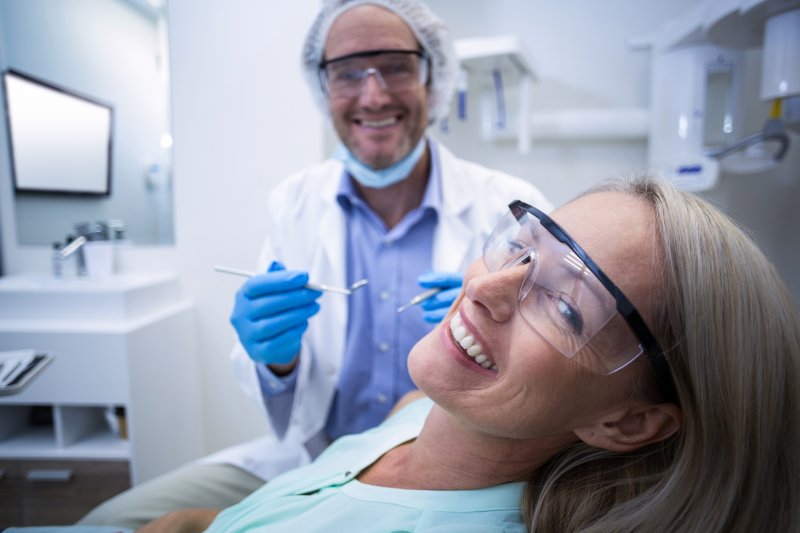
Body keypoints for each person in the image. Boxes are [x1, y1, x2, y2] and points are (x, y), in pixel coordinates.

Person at [78, 0, 550, 528]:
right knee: (109, 522)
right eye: (347, 72)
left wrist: (503, 338)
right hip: (313, 458)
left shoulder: (510, 207)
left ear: (432, 77)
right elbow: (284, 393)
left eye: (394, 66)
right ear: (323, 88)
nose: (373, 94)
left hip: (444, 466)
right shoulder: (294, 203)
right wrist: (276, 357)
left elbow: (554, 368)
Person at [133, 176, 800, 533]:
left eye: (565, 306)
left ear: (627, 421)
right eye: (522, 246)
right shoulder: (412, 412)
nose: (484, 286)